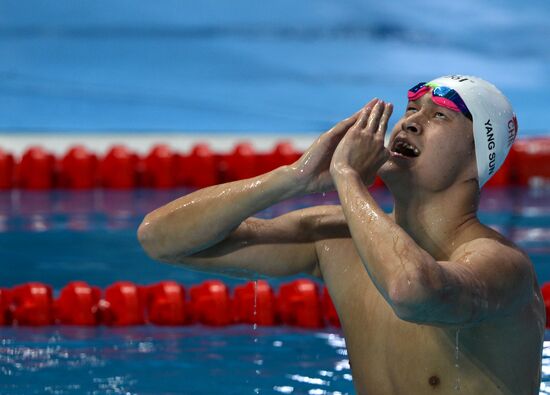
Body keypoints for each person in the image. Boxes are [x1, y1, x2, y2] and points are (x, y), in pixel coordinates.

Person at [137, 75, 545, 394]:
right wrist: (292, 179)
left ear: (478, 157)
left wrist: (347, 178)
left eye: (439, 116)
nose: (411, 123)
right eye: (411, 109)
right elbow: (160, 239)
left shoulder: (499, 265)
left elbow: (413, 292)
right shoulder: (335, 239)